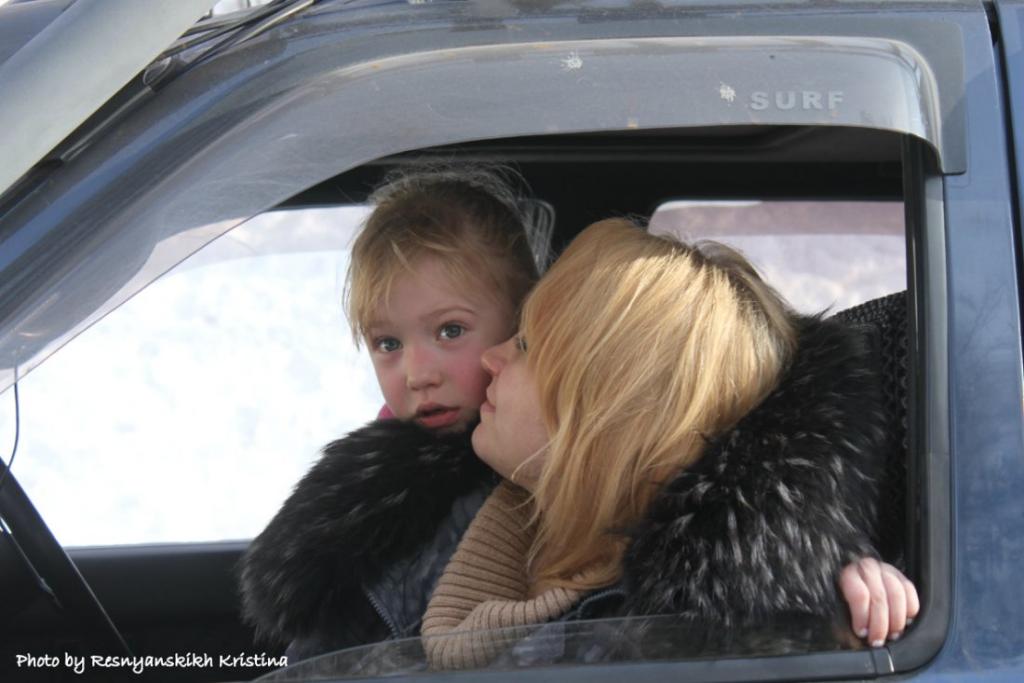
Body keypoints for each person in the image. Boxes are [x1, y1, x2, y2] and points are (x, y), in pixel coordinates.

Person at [240, 210, 916, 665]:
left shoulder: (658, 644)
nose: (491, 359)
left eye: (528, 342)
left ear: (605, 411)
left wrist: (827, 609)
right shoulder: (471, 522)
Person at [240, 167, 540, 658]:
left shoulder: (524, 487)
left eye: (449, 331)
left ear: (523, 321)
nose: (416, 373)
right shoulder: (376, 492)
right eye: (388, 343)